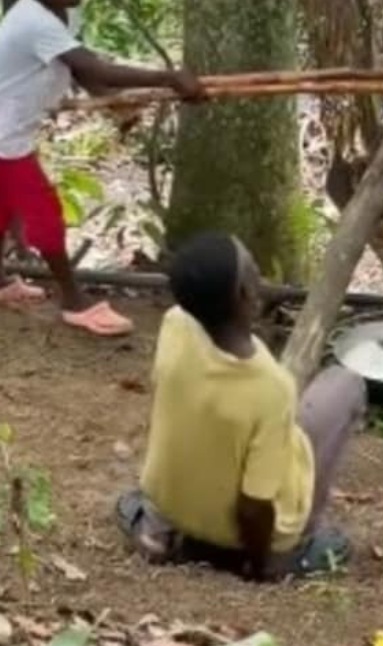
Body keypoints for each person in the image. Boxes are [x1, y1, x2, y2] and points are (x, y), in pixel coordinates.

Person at [0, 0, 205, 337]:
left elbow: (77, 67)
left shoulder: (59, 12)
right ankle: (74, 302)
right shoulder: (33, 20)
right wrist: (169, 77)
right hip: (0, 127)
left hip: (1, 120)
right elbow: (94, 68)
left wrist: (114, 107)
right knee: (42, 212)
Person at [116, 233, 366, 581]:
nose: (260, 273)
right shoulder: (270, 388)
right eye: (254, 269)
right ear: (246, 295)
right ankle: (294, 546)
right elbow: (253, 507)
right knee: (345, 384)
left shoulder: (176, 325)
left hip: (169, 507)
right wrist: (258, 564)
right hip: (243, 534)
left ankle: (160, 529)